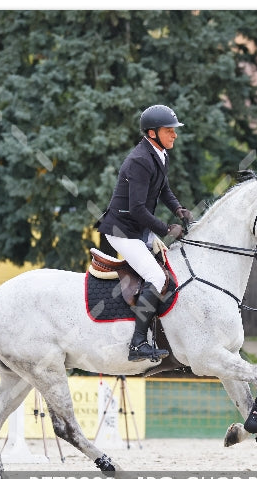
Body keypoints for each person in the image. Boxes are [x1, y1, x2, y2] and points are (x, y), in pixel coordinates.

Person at [96, 104, 193, 362]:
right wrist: (166, 228)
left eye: (174, 130)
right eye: (169, 130)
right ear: (152, 133)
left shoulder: (159, 154)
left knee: (169, 268)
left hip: (138, 228)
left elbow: (163, 190)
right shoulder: (139, 160)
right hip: (122, 231)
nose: (174, 135)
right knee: (156, 277)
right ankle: (137, 344)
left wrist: (178, 210)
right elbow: (137, 209)